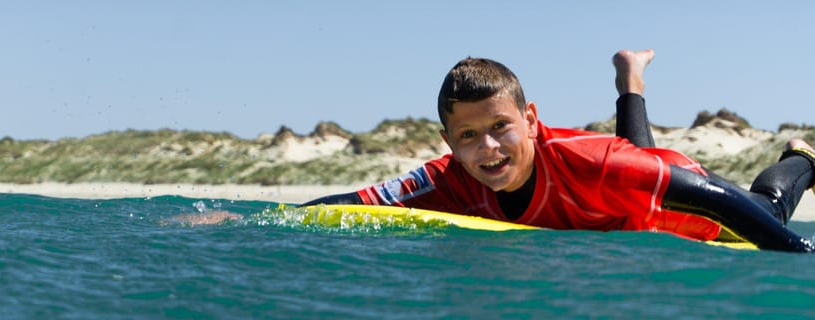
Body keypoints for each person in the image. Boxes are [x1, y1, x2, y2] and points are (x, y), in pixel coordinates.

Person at [303, 49, 815, 253]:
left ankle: (803, 158)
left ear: (531, 120)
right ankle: (630, 77)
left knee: (764, 207)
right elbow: (355, 201)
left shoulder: (593, 163)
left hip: (676, 196)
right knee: (631, 162)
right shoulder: (444, 178)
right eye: (467, 137)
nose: (488, 148)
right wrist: (250, 220)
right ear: (448, 143)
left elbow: (716, 200)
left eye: (501, 127)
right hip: (616, 192)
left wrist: (800, 252)